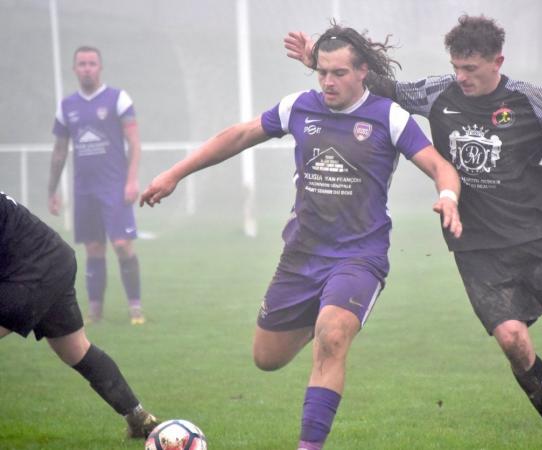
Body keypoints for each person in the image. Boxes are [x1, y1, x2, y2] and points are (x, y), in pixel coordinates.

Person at [284, 14, 542, 450]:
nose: (461, 77)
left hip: (534, 235)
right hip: (476, 246)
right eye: (456, 66)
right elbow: (381, 87)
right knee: (514, 341)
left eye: (470, 68)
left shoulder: (528, 99)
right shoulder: (441, 91)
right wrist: (316, 63)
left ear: (498, 61)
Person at [140, 24, 462, 450]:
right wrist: (175, 173)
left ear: (363, 71)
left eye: (339, 73)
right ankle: (328, 309)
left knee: (331, 337)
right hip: (302, 254)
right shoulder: (299, 107)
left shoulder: (388, 116)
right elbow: (238, 135)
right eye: (322, 72)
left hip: (359, 255)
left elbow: (442, 167)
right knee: (266, 358)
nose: (328, 81)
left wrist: (447, 196)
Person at [0, 192, 159, 439]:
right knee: (76, 350)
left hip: (32, 268)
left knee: (77, 349)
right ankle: (139, 418)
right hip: (54, 258)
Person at [48, 46, 145, 325]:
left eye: (92, 63)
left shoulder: (118, 98)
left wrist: (131, 180)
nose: (87, 68)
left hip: (114, 187)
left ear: (100, 67)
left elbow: (135, 142)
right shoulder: (67, 106)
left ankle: (135, 308)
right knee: (93, 248)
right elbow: (59, 151)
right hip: (84, 190)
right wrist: (52, 190)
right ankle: (95, 313)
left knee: (122, 245)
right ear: (74, 69)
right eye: (82, 64)